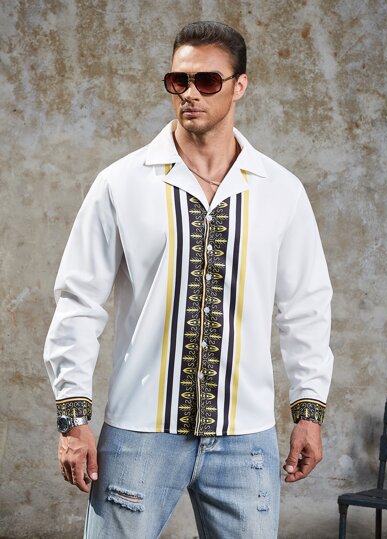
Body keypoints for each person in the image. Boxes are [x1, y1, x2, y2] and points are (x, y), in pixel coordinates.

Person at [44, 20, 333, 539]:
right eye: (179, 80)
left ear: (239, 86)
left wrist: (309, 410)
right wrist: (72, 418)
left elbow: (305, 306)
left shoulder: (281, 190)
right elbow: (78, 301)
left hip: (245, 438)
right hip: (139, 433)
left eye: (207, 81)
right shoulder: (122, 183)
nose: (190, 93)